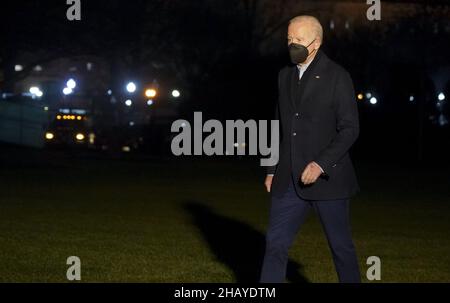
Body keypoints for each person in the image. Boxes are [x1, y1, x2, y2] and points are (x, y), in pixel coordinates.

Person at [260, 15, 361, 283]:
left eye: (299, 40)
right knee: (275, 245)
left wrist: (320, 164)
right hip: (288, 182)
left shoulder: (338, 77)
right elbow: (278, 125)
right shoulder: (284, 76)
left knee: (341, 248)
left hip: (329, 181)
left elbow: (350, 129)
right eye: (289, 39)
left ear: (316, 42)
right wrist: (271, 168)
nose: (293, 44)